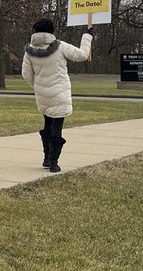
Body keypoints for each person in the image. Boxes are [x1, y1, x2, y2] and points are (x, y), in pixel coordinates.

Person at [21, 17, 92, 173]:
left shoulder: (29, 51)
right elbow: (82, 55)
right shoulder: (60, 46)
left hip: (42, 94)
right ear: (51, 31)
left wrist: (38, 85)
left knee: (47, 125)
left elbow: (26, 75)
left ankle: (46, 158)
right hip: (60, 93)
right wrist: (87, 36)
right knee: (57, 128)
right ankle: (54, 162)